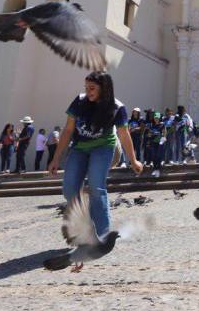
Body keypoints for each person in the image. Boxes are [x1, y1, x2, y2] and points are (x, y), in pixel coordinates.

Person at [48, 71, 142, 237]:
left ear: (104, 88)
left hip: (103, 147)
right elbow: (68, 129)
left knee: (96, 186)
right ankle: (85, 225)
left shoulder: (117, 107)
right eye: (86, 87)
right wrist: (56, 158)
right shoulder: (79, 101)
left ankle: (102, 235)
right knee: (69, 190)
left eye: (92, 88)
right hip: (79, 148)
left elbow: (124, 134)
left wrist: (133, 160)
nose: (88, 91)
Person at [145, 112, 164, 177]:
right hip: (152, 142)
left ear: (159, 118)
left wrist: (163, 138)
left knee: (158, 155)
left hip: (159, 142)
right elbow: (148, 134)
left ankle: (158, 169)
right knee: (153, 155)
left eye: (157, 118)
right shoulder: (151, 125)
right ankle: (155, 169)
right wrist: (150, 135)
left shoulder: (162, 125)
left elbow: (164, 133)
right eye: (155, 117)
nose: (156, 119)